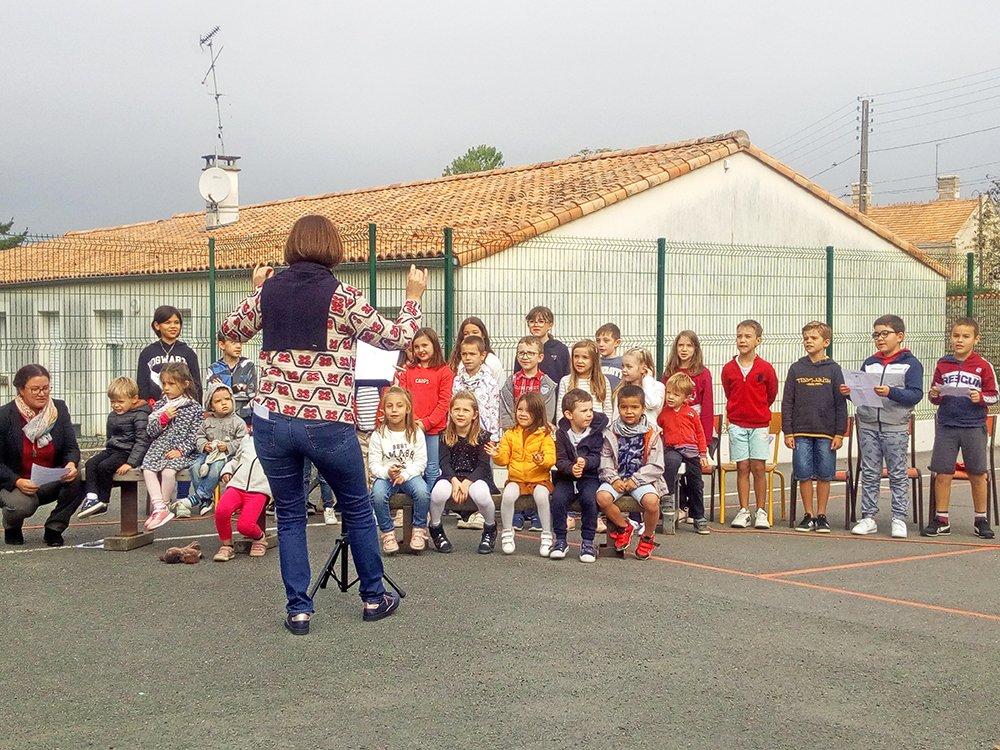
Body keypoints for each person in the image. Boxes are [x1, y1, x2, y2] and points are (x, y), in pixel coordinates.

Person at [220, 214, 425, 633]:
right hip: (327, 421)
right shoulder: (343, 295)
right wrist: (412, 297)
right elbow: (396, 338)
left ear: (292, 247)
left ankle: (298, 610)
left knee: (291, 514)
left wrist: (258, 289)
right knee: (356, 507)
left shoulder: (268, 294)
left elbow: (230, 329)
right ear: (333, 248)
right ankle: (373, 597)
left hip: (273, 420)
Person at [842, 316, 924, 538]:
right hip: (868, 423)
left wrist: (891, 392)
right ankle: (868, 517)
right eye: (876, 334)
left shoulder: (911, 363)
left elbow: (915, 394)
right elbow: (862, 391)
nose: (879, 338)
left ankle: (899, 518)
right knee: (869, 472)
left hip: (895, 426)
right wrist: (850, 393)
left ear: (899, 336)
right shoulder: (870, 362)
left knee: (897, 472)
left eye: (884, 333)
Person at [923, 317, 997, 539]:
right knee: (943, 472)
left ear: (976, 339)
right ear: (951, 337)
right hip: (947, 425)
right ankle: (941, 519)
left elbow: (994, 395)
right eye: (956, 336)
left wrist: (980, 397)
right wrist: (934, 395)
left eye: (965, 337)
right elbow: (934, 395)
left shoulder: (983, 365)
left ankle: (981, 519)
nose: (960, 340)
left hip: (973, 425)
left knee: (977, 473)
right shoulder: (943, 364)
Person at [0, 364, 82, 546]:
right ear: (21, 390)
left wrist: (70, 463)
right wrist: (17, 481)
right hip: (17, 483)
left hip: (49, 479)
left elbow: (71, 447)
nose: (42, 393)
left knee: (79, 474)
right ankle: (12, 526)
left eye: (45, 388)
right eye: (35, 389)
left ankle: (54, 528)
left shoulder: (58, 409)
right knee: (22, 506)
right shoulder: (5, 416)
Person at [782, 322, 848, 534]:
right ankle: (808, 515)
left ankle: (821, 515)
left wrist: (840, 433)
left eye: (813, 338)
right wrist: (788, 431)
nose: (808, 341)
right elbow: (787, 402)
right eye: (806, 338)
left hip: (826, 433)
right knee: (803, 474)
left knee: (824, 475)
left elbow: (841, 403)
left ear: (825, 342)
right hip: (800, 432)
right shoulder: (796, 368)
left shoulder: (834, 369)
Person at [596, 384, 666, 560]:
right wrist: (613, 479)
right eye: (624, 407)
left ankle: (648, 537)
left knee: (651, 502)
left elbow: (656, 465)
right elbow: (605, 459)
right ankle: (624, 526)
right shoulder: (610, 432)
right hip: (617, 478)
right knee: (602, 497)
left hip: (642, 480)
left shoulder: (653, 432)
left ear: (643, 408)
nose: (629, 411)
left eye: (634, 407)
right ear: (618, 408)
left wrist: (636, 480)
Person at [720, 320, 778, 530]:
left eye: (747, 336)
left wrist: (757, 410)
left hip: (760, 424)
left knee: (758, 467)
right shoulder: (728, 369)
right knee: (742, 466)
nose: (742, 340)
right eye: (739, 336)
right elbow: (729, 392)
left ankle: (760, 511)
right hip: (736, 424)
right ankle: (744, 510)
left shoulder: (766, 368)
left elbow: (770, 394)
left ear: (758, 340)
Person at [427, 392, 498, 555]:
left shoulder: (483, 436)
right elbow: (444, 463)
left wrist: (466, 483)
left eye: (466, 410)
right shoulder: (445, 435)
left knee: (481, 494)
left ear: (475, 414)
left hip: (476, 477)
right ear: (450, 412)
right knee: (437, 493)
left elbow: (482, 465)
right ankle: (436, 527)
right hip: (451, 476)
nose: (460, 413)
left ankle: (490, 528)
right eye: (456, 409)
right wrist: (454, 481)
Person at [489, 391, 556, 557]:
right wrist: (496, 454)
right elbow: (503, 459)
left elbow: (551, 458)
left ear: (538, 413)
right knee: (508, 496)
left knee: (542, 496)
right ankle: (507, 532)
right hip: (516, 479)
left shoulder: (544, 434)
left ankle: (547, 535)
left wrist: (541, 460)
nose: (523, 414)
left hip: (539, 479)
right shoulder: (510, 434)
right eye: (520, 409)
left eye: (528, 411)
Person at [77, 377, 151, 519]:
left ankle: (103, 502)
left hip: (127, 452)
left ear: (134, 399)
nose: (116, 405)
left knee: (105, 466)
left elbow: (142, 440)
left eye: (120, 402)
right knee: (90, 463)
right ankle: (92, 498)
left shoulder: (140, 415)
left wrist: (131, 463)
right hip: (113, 449)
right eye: (113, 402)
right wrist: (107, 449)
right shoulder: (112, 416)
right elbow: (111, 436)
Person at [368, 387, 430, 554]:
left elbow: (420, 461)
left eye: (399, 405)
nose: (394, 410)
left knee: (423, 492)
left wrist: (404, 475)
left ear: (407, 408)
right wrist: (388, 472)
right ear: (383, 409)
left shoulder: (416, 432)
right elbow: (373, 465)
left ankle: (419, 529)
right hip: (386, 476)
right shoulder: (378, 434)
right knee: (378, 495)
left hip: (410, 475)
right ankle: (388, 533)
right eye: (389, 406)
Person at [140, 362, 202, 531]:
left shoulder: (194, 407)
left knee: (168, 472)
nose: (166, 388)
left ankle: (164, 506)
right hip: (159, 448)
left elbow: (195, 435)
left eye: (171, 384)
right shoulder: (160, 406)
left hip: (182, 451)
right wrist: (163, 419)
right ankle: (159, 507)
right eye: (164, 384)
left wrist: (181, 450)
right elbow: (151, 431)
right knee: (148, 469)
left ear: (185, 384)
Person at [663, 330, 715, 523]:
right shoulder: (669, 372)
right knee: (673, 462)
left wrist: (707, 443)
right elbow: (664, 407)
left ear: (695, 349)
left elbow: (708, 406)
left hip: (697, 430)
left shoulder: (703, 373)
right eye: (680, 345)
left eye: (689, 345)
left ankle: (693, 511)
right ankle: (675, 505)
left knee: (693, 471)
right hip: (675, 433)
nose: (684, 350)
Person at [551, 389, 608, 562]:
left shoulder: (597, 432)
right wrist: (570, 468)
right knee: (558, 499)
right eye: (584, 411)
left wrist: (586, 462)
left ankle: (588, 542)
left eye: (591, 409)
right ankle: (560, 540)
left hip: (589, 477)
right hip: (566, 477)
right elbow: (559, 460)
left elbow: (599, 457)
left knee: (590, 499)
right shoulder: (561, 434)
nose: (589, 414)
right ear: (569, 414)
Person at [395, 327, 454, 493]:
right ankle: (412, 508)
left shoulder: (445, 371)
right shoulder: (408, 370)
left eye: (425, 345)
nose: (421, 350)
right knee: (411, 468)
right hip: (410, 429)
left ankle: (431, 508)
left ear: (434, 345)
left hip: (433, 431)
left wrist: (426, 423)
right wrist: (412, 422)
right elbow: (402, 397)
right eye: (417, 347)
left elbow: (444, 402)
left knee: (432, 469)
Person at [451, 334, 500, 531]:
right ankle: (465, 513)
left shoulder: (489, 381)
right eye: (464, 354)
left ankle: (481, 513)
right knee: (462, 470)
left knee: (482, 471)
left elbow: (493, 409)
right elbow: (453, 406)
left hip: (483, 435)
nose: (468, 358)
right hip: (462, 434)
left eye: (472, 354)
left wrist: (494, 438)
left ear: (483, 355)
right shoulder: (458, 379)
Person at [178, 382, 248, 518]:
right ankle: (206, 500)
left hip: (227, 456)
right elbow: (199, 437)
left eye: (227, 399)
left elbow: (242, 441)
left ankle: (198, 497)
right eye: (218, 401)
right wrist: (204, 445)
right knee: (195, 467)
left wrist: (228, 447)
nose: (224, 403)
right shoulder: (207, 422)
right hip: (208, 454)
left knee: (216, 468)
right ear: (211, 406)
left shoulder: (238, 422)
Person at [657, 373, 711, 535]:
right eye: (669, 393)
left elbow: (700, 434)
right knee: (671, 464)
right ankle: (667, 496)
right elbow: (658, 432)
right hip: (672, 448)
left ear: (687, 397)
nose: (671, 397)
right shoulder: (663, 413)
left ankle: (698, 516)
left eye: (676, 394)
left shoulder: (691, 414)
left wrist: (702, 454)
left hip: (692, 451)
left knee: (696, 483)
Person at [213, 434, 271, 562]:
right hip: (237, 484)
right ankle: (227, 545)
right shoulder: (247, 439)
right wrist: (227, 470)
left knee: (245, 526)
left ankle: (260, 537)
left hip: (259, 489)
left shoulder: (279, 441)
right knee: (221, 511)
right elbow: (236, 459)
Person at [137, 305, 202, 405]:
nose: (173, 326)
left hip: (184, 408)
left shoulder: (188, 352)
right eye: (167, 322)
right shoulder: (147, 353)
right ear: (157, 325)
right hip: (155, 409)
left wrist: (196, 407)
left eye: (177, 322)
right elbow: (142, 386)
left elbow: (196, 384)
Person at [501, 336, 558, 430]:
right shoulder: (511, 381)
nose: (525, 357)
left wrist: (538, 429)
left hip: (538, 433)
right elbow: (506, 409)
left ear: (540, 357)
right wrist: (512, 431)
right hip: (514, 433)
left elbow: (547, 413)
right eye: (521, 353)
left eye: (530, 353)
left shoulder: (547, 384)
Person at [206, 332, 256, 425]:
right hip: (222, 419)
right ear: (221, 345)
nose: (238, 346)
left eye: (240, 342)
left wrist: (225, 389)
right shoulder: (213, 369)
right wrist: (239, 387)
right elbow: (214, 396)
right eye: (233, 343)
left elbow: (251, 392)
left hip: (245, 417)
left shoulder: (248, 365)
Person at [513, 306, 570, 383]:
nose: (536, 325)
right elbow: (517, 375)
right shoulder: (523, 348)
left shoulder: (560, 349)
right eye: (532, 321)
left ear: (550, 325)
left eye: (541, 321)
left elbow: (567, 377)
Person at [556, 340, 614, 415]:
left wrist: (606, 426)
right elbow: (561, 410)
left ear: (594, 360)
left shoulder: (602, 381)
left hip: (598, 425)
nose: (579, 361)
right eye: (576, 356)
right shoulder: (566, 381)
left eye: (585, 357)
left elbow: (608, 409)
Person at [448, 316, 505, 385]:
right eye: (466, 334)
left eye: (475, 332)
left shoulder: (492, 361)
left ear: (483, 335)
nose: (470, 336)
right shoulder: (459, 362)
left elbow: (500, 385)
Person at [616, 347, 664, 424]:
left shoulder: (657, 386)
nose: (624, 370)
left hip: (649, 432)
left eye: (629, 366)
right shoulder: (622, 388)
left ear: (643, 369)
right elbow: (616, 414)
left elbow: (651, 404)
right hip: (625, 433)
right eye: (623, 366)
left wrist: (647, 380)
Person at [595, 323, 623, 389]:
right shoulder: (594, 362)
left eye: (606, 340)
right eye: (598, 341)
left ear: (617, 343)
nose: (601, 344)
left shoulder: (624, 363)